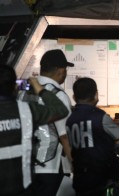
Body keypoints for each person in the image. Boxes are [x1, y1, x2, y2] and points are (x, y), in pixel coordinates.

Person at [0, 64, 69, 195]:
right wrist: (40, 89)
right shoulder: (26, 110)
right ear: (14, 87)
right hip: (22, 188)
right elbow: (61, 110)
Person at [66, 77, 119, 196]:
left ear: (74, 98)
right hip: (103, 182)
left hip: (80, 181)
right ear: (96, 95)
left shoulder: (70, 120)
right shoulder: (101, 118)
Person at [33, 49, 74, 196]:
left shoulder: (23, 91)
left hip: (25, 165)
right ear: (61, 70)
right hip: (51, 166)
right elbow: (64, 136)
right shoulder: (58, 95)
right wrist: (74, 163)